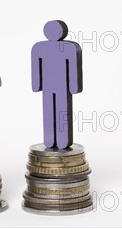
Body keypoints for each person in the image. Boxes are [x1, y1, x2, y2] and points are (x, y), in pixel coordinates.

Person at [31, 20, 82, 149]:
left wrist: (74, 86)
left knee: (61, 110)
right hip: (51, 84)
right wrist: (36, 84)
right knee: (50, 111)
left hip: (61, 85)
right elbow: (36, 66)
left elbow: (73, 66)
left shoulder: (69, 47)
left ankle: (62, 140)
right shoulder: (38, 47)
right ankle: (50, 140)